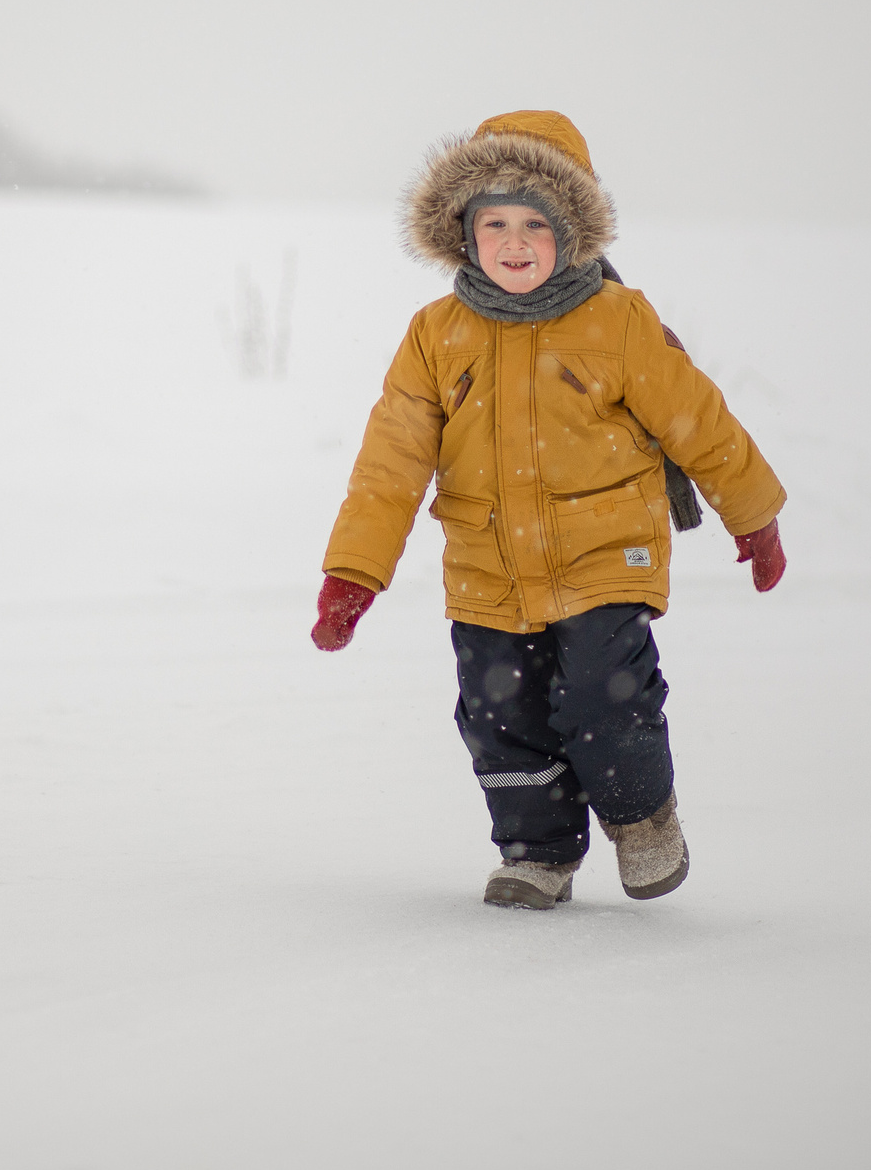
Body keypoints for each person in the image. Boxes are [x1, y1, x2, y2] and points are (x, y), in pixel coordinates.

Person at [311, 110, 788, 909]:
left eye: (537, 221)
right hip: (487, 562)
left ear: (574, 229)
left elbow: (697, 422)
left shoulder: (619, 321)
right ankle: (536, 850)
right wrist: (353, 572)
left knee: (604, 691)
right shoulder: (436, 335)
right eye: (493, 221)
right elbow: (390, 460)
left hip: (606, 555)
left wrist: (754, 514)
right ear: (461, 232)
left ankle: (643, 818)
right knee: (499, 710)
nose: (515, 240)